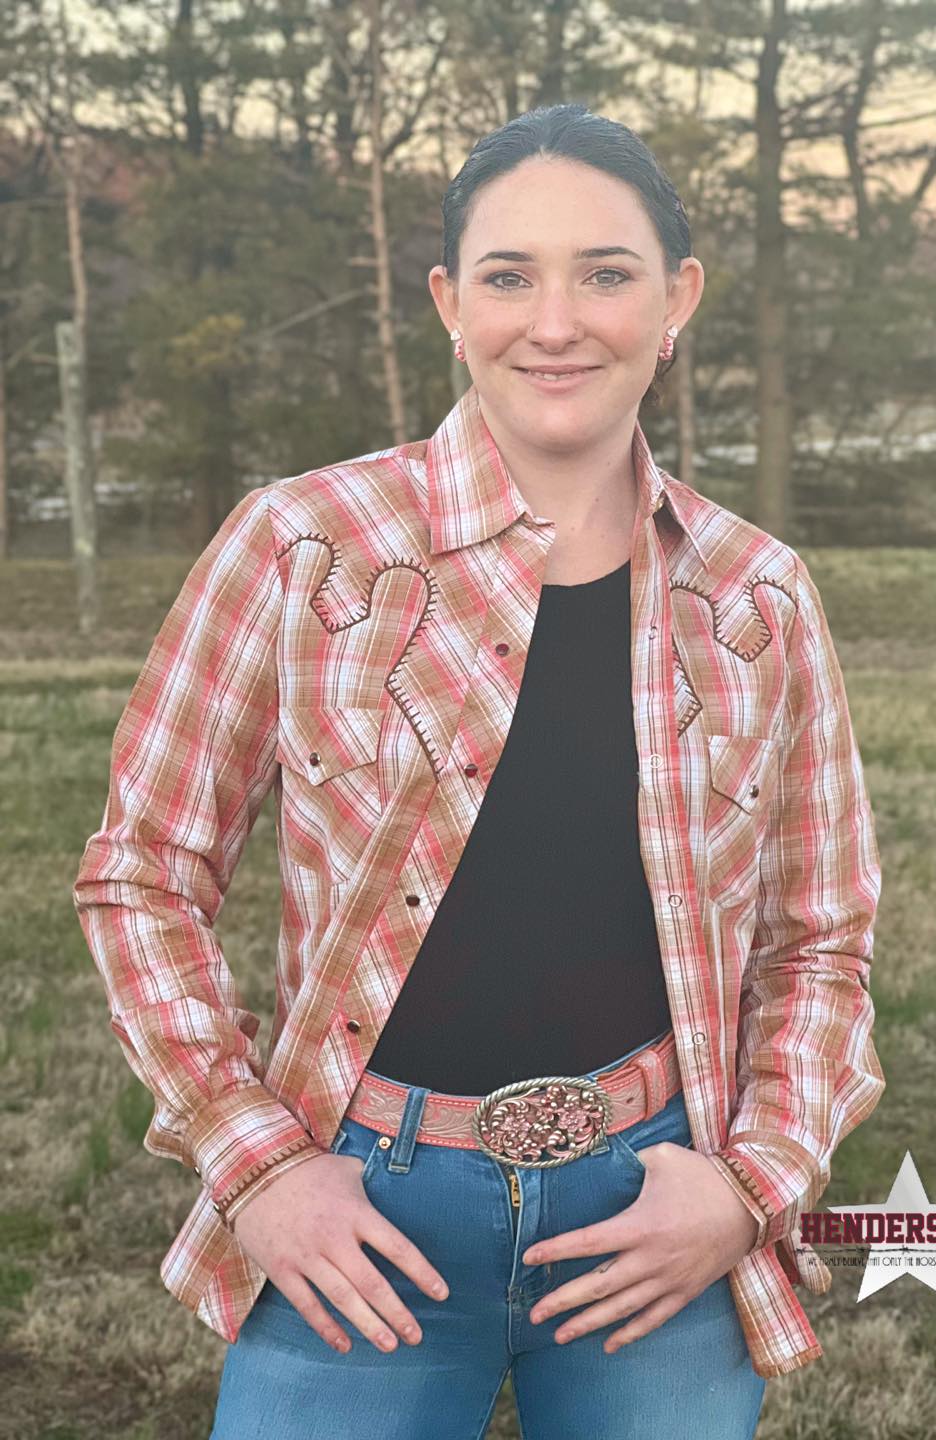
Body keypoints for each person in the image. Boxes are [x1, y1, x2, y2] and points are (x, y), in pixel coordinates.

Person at [73, 103, 885, 1439]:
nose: (554, 323)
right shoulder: (302, 545)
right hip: (363, 1216)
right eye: (509, 276)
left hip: (656, 1219)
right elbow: (142, 873)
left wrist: (749, 1185)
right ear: (452, 304)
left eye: (606, 273)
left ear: (676, 301)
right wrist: (256, 1162)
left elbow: (821, 939)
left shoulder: (759, 594)